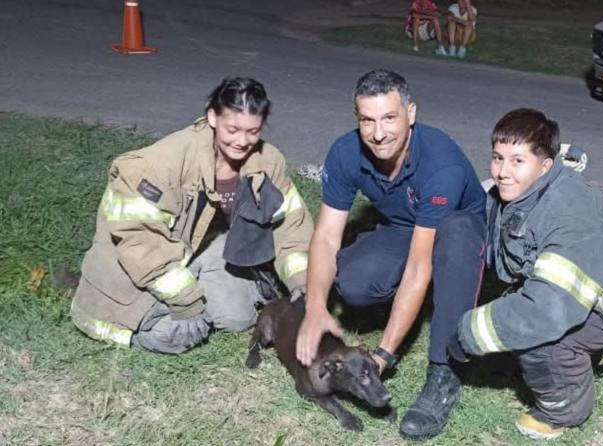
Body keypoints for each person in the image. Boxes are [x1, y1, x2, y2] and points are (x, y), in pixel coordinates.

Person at [296, 69, 486, 441]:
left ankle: (444, 372)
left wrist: (383, 354)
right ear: (357, 118)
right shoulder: (345, 153)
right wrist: (315, 307)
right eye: (367, 120)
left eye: (389, 118)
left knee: (452, 242)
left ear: (410, 113)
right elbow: (326, 238)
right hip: (405, 226)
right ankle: (418, 301)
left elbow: (419, 266)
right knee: (353, 283)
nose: (378, 133)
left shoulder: (439, 164)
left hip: (461, 234)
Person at [448, 109, 603, 440]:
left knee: (540, 337)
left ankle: (564, 409)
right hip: (557, 288)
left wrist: (467, 333)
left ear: (545, 166)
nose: (502, 172)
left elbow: (547, 311)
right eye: (497, 158)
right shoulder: (517, 190)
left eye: (517, 161)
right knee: (518, 320)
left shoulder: (572, 214)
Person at [71, 77, 314, 354]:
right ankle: (139, 325)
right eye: (232, 129)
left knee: (237, 318)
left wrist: (303, 285)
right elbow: (141, 245)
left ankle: (202, 289)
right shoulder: (156, 166)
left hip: (200, 249)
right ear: (212, 115)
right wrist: (187, 301)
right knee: (180, 334)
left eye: (253, 131)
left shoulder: (268, 161)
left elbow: (291, 227)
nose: (242, 141)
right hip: (133, 266)